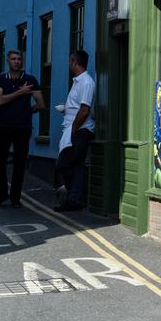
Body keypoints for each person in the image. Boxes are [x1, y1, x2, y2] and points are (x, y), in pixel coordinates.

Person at [0, 50, 44, 208]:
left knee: (19, 164)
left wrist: (26, 112)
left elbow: (41, 104)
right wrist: (21, 92)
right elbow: (0, 101)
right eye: (13, 59)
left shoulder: (30, 79)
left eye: (19, 59)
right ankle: (1, 195)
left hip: (22, 127)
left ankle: (15, 198)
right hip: (3, 127)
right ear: (7, 61)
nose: (17, 62)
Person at [54, 50, 95, 212]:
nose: (69, 64)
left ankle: (72, 194)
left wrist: (73, 130)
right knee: (77, 166)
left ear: (74, 61)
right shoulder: (78, 81)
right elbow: (78, 107)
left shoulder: (86, 82)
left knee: (63, 164)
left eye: (70, 61)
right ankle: (74, 200)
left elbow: (85, 110)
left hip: (80, 131)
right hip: (75, 129)